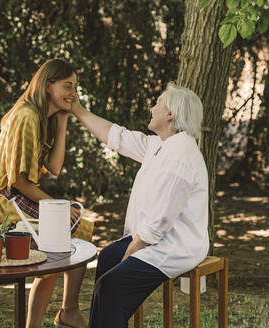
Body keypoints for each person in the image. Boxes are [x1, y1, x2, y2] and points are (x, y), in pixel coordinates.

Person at [69, 83, 209, 327]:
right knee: (107, 258)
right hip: (154, 238)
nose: (152, 107)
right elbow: (118, 137)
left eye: (158, 103)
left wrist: (133, 249)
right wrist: (77, 110)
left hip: (173, 246)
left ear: (170, 114)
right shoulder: (161, 145)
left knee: (111, 287)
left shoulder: (181, 155)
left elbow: (161, 219)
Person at [0, 58, 93, 328]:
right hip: (1, 198)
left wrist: (62, 124)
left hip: (14, 192)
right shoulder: (26, 115)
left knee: (67, 233)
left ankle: (61, 314)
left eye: (75, 87)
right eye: (68, 86)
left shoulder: (43, 117)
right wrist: (59, 208)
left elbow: (55, 167)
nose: (74, 93)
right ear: (47, 85)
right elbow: (18, 182)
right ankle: (67, 312)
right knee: (73, 226)